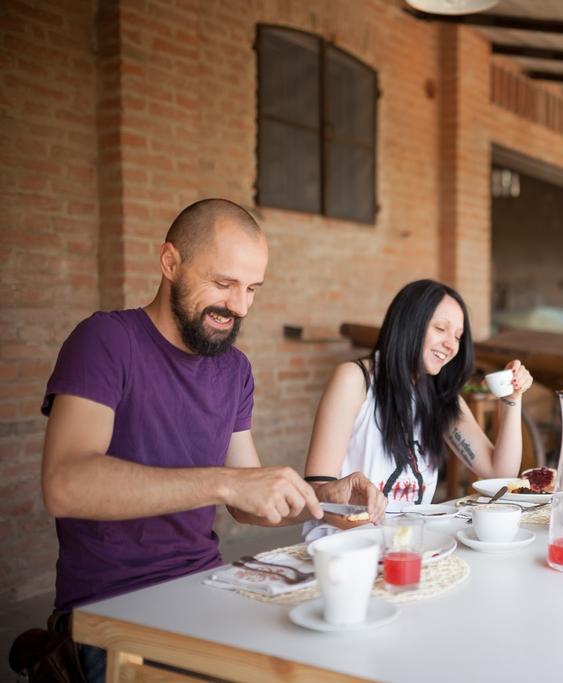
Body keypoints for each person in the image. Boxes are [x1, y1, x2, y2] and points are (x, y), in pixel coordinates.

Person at [38, 198, 385, 681]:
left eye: (252, 289)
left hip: (208, 585)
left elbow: (246, 501)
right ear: (170, 263)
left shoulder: (234, 370)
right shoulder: (105, 341)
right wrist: (223, 484)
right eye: (223, 284)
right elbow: (64, 484)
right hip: (110, 609)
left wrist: (324, 499)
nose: (239, 306)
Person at [303, 279, 533, 540]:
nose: (451, 345)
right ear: (408, 324)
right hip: (347, 546)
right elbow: (317, 491)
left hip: (408, 546)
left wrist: (512, 398)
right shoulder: (355, 380)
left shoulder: (441, 398)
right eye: (440, 329)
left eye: (457, 336)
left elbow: (499, 472)